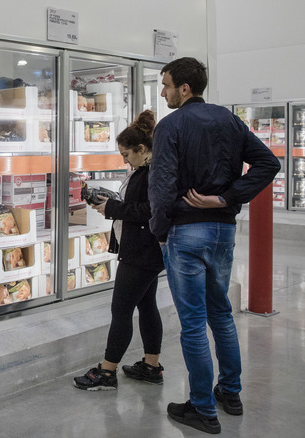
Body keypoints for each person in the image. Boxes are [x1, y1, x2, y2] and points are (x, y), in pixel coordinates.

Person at [148, 57, 280, 434]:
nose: (163, 92)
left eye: (166, 85)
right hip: (223, 232)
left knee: (192, 323)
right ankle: (230, 394)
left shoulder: (170, 125)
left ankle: (203, 409)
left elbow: (162, 185)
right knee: (221, 314)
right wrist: (225, 199)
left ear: (184, 88)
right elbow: (268, 164)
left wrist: (159, 231)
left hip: (185, 232)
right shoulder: (230, 121)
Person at [73, 110, 165, 391]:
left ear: (141, 149)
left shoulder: (152, 173)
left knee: (121, 310)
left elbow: (150, 209)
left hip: (140, 252)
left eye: (126, 154)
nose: (124, 160)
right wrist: (112, 203)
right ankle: (151, 366)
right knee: (147, 305)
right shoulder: (148, 169)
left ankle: (107, 372)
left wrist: (113, 208)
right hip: (148, 251)